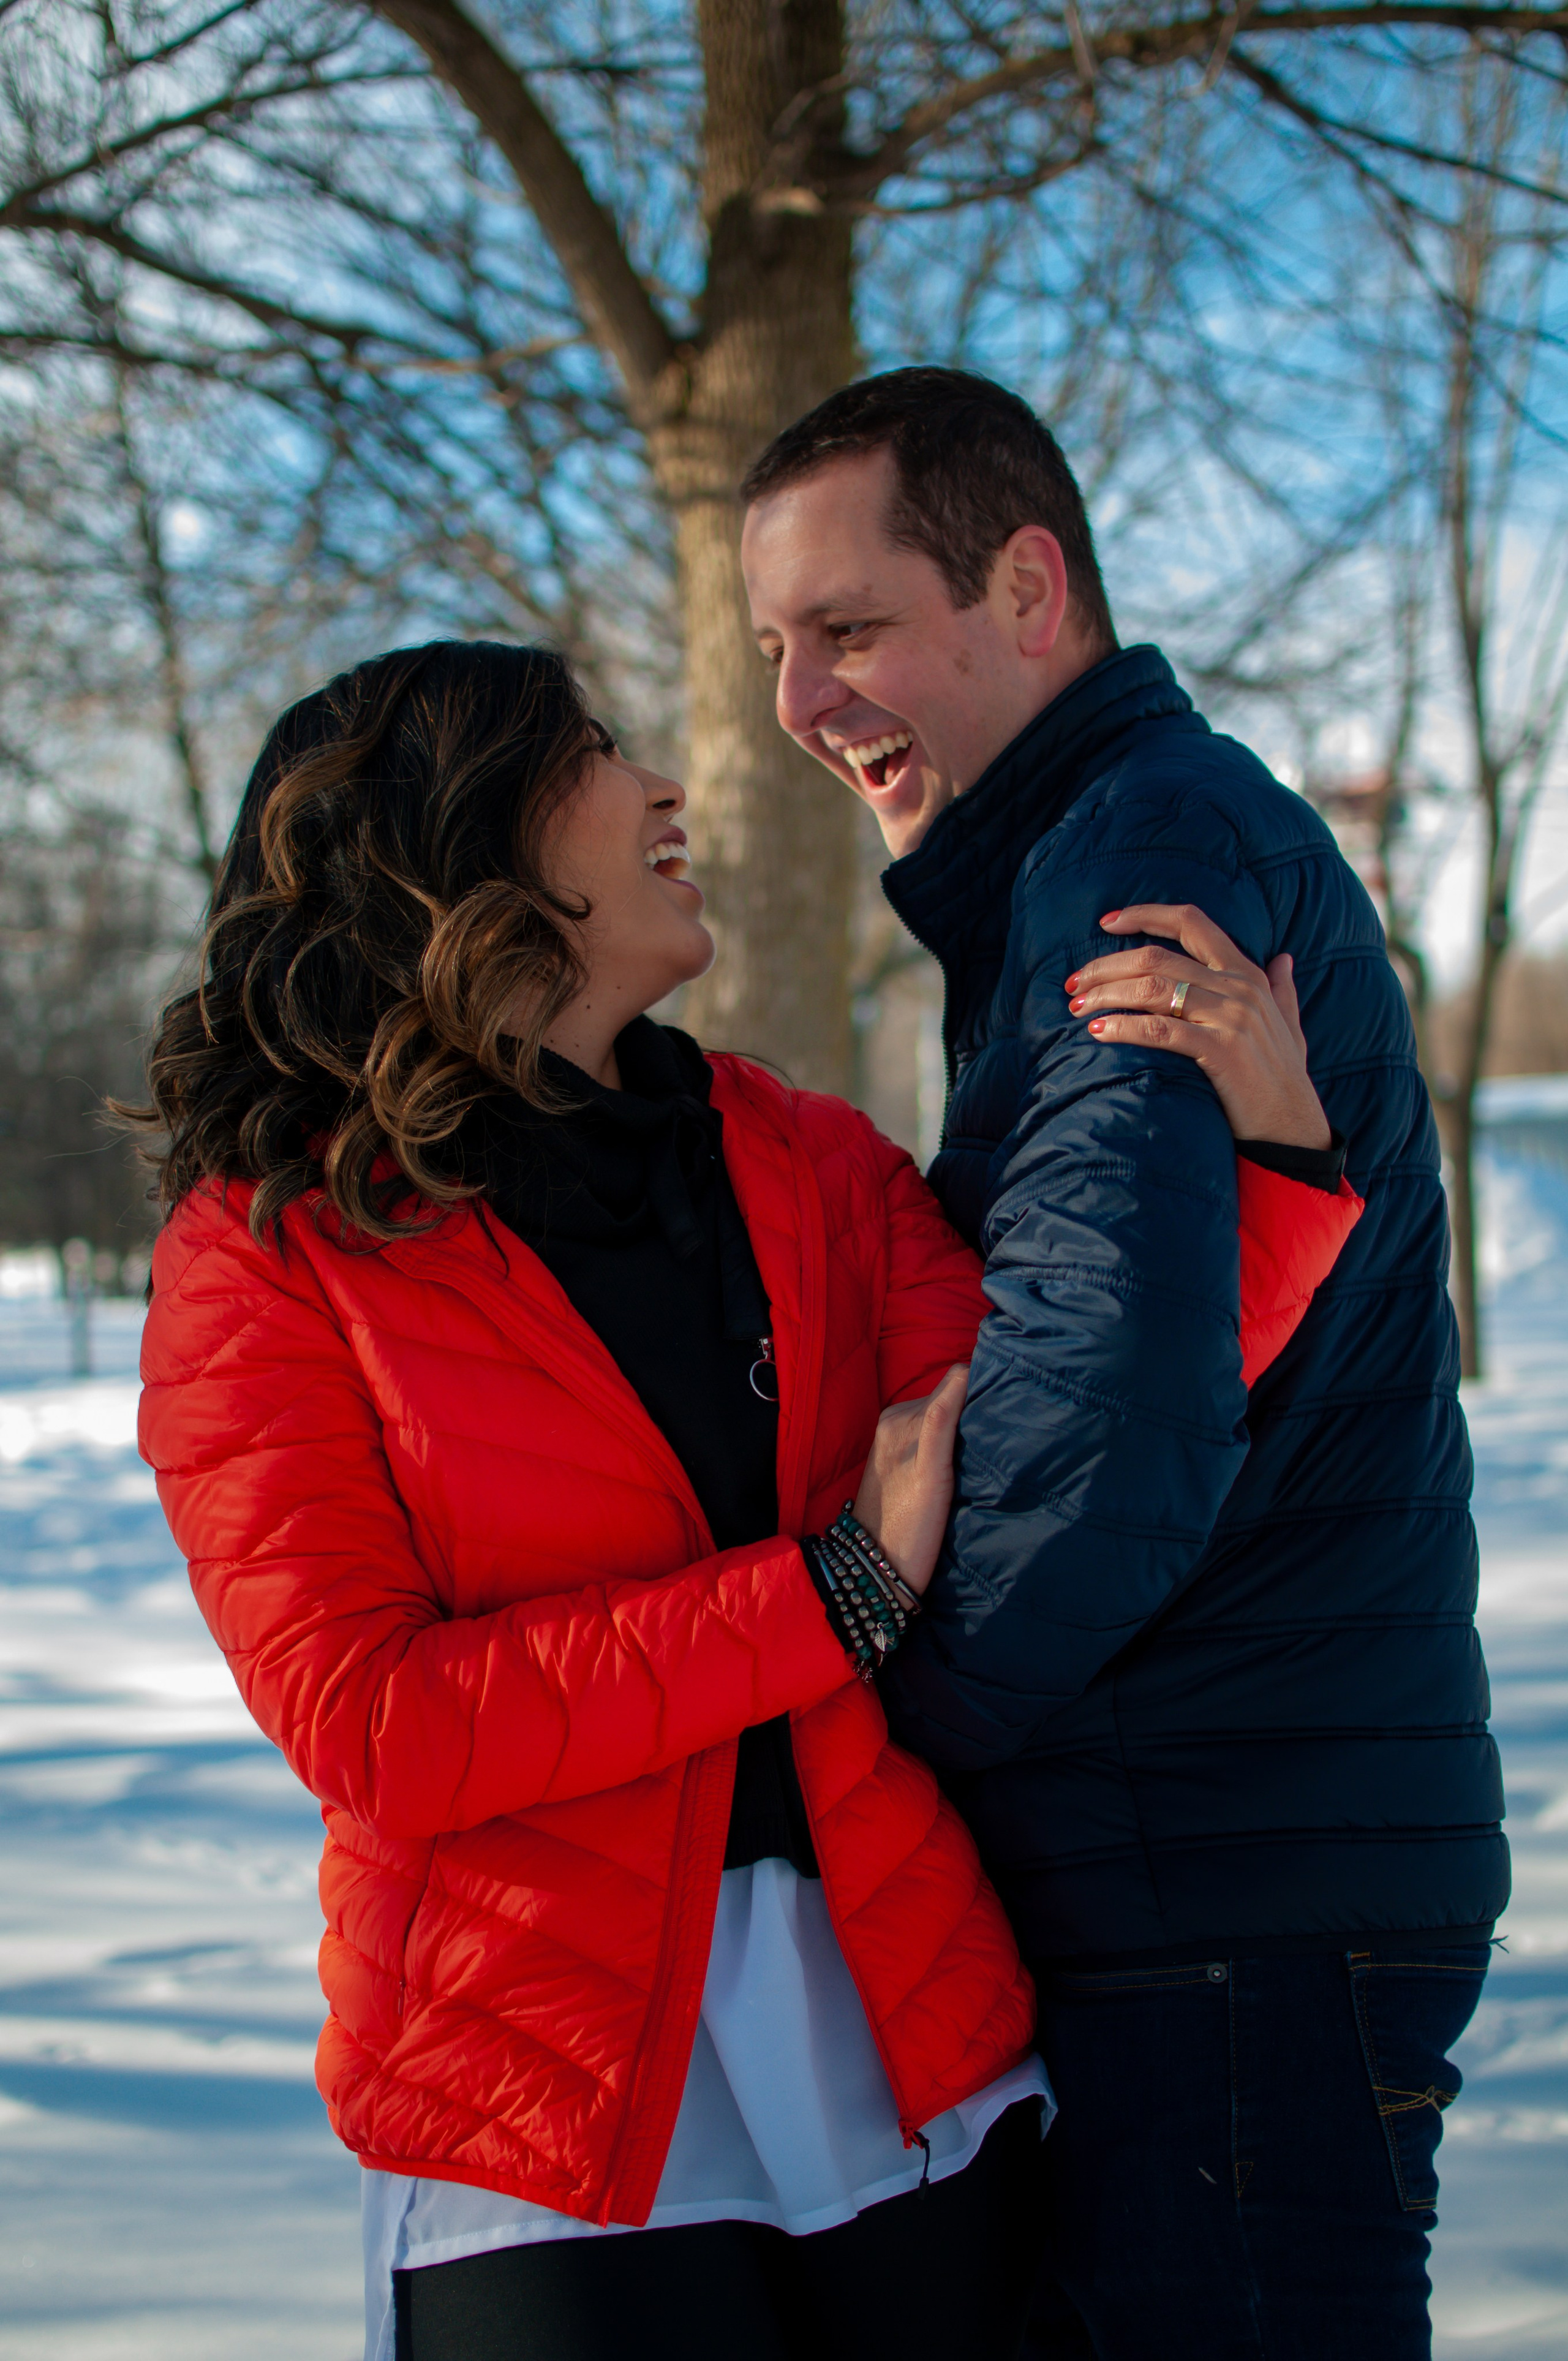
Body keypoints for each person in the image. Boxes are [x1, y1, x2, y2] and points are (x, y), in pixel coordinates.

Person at [132, 639, 1355, 2361]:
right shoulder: (269, 1260)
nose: (665, 786)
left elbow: (1049, 1448)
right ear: (466, 841)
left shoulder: (810, 1163)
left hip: (902, 2034)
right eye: (597, 752)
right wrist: (829, 1598)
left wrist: (1283, 1171)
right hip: (532, 2101)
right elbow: (379, 1721)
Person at [740, 366, 1508, 2361]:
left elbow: (1098, 1441)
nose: (800, 705)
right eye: (771, 651)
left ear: (1027, 586)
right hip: (1229, 1871)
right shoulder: (1078, 868)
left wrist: (885, 1720)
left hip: (1227, 1893)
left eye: (848, 630)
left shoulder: (1133, 857)